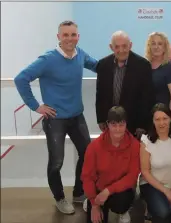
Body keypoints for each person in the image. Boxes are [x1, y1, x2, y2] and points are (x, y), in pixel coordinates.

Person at [14, 20, 98, 214]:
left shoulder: (80, 54)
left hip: (77, 115)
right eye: (66, 35)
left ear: (78, 36)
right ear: (58, 37)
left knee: (87, 154)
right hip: (55, 119)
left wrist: (120, 63)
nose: (70, 38)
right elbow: (21, 79)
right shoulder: (48, 59)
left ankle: (79, 192)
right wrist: (36, 106)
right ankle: (59, 198)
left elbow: (97, 66)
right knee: (57, 161)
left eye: (73, 35)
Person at [81, 106, 141, 223]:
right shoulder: (94, 147)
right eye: (114, 125)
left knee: (122, 203)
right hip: (98, 190)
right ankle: (90, 201)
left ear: (126, 124)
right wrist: (94, 204)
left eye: (121, 125)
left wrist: (108, 191)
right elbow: (87, 177)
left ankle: (121, 211)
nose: (118, 129)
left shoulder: (135, 145)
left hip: (120, 192)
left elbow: (132, 176)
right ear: (107, 124)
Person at [96, 30, 155, 139]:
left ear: (130, 45)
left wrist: (142, 125)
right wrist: (101, 119)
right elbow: (100, 95)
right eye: (117, 47)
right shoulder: (103, 65)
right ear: (111, 47)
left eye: (124, 46)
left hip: (134, 125)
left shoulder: (143, 65)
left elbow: (147, 98)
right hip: (110, 123)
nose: (121, 50)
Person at [139, 103, 171, 223]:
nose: (162, 123)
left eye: (165, 118)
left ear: (170, 119)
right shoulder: (146, 141)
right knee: (163, 211)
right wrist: (166, 191)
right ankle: (150, 209)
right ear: (153, 121)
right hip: (151, 184)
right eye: (157, 119)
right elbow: (145, 172)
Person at [145, 32, 171, 118]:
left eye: (160, 44)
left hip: (163, 117)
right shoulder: (144, 66)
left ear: (165, 47)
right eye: (153, 44)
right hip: (146, 115)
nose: (156, 47)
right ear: (149, 47)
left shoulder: (169, 68)